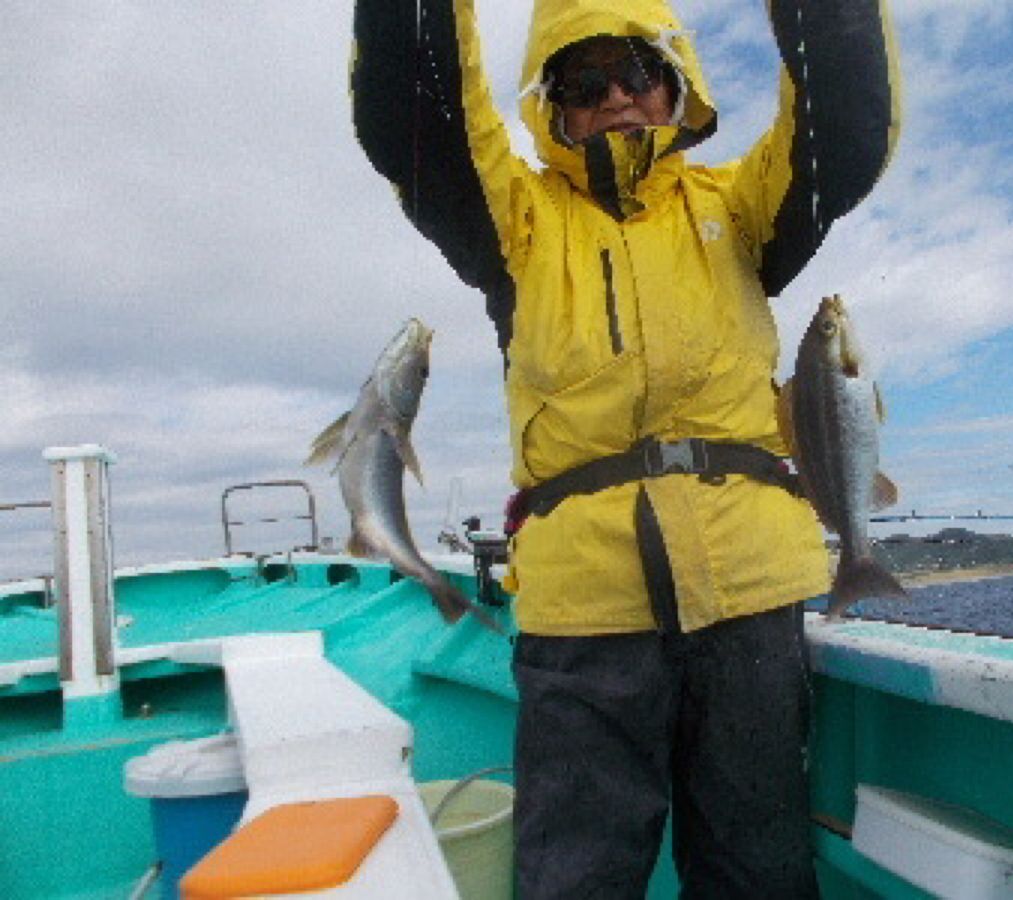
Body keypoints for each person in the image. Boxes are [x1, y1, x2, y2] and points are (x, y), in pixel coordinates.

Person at [351, 0, 900, 895]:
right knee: (578, 875)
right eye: (583, 80)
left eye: (641, 72)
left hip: (750, 597)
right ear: (552, 108)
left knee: (758, 870)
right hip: (582, 614)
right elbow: (417, 116)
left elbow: (841, 130)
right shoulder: (516, 223)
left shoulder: (742, 206)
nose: (617, 97)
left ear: (679, 87)